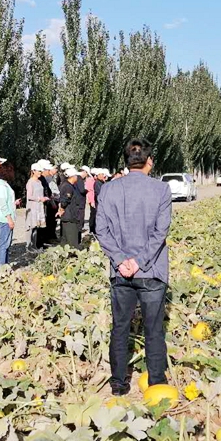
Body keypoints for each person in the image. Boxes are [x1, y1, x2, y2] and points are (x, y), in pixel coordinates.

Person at [96, 139, 172, 396]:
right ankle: (157, 384)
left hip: (120, 272)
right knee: (153, 328)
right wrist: (139, 262)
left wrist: (120, 260)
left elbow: (101, 231)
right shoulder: (161, 190)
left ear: (126, 162)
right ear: (149, 161)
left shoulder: (108, 190)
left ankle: (118, 384)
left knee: (120, 327)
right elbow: (160, 232)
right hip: (151, 272)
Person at [0, 161, 17, 265]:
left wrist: (14, 203)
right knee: (3, 245)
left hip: (4, 217)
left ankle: (4, 266)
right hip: (4, 218)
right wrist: (9, 218)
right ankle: (1, 268)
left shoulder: (1, 184)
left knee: (6, 244)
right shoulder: (1, 186)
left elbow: (5, 201)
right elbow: (2, 204)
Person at [58, 168, 85, 248]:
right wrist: (62, 209)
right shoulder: (67, 186)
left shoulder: (70, 185)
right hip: (69, 216)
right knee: (72, 242)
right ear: (72, 176)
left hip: (71, 215)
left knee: (66, 242)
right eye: (76, 175)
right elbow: (64, 201)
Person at [25, 163, 48, 252]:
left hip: (39, 206)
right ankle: (29, 246)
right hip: (33, 206)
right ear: (33, 171)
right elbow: (29, 196)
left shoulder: (39, 181)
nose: (40, 173)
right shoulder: (30, 182)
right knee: (31, 226)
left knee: (36, 227)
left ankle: (34, 245)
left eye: (41, 171)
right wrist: (39, 199)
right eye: (39, 171)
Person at [84, 166, 97, 234]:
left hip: (92, 199)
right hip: (92, 199)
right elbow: (90, 191)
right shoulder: (90, 180)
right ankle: (91, 229)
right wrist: (91, 201)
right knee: (93, 214)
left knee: (93, 213)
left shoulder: (92, 180)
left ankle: (93, 228)